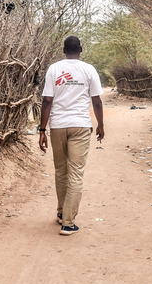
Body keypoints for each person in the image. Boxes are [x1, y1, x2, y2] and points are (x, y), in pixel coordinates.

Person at [38, 36, 105, 236]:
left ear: (63, 50)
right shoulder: (89, 69)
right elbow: (97, 101)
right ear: (81, 49)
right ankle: (68, 222)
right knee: (76, 173)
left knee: (61, 171)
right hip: (81, 126)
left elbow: (47, 101)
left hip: (57, 126)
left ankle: (61, 212)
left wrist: (42, 130)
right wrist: (100, 124)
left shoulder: (54, 69)